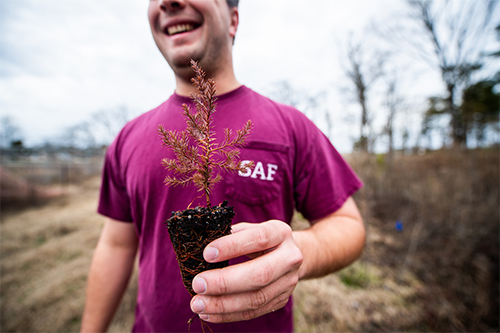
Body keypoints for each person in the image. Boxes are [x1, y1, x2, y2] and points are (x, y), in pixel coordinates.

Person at [80, 0, 366, 332]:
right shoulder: (128, 138)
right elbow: (116, 243)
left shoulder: (291, 126)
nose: (168, 2)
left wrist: (303, 252)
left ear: (233, 20)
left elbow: (347, 224)